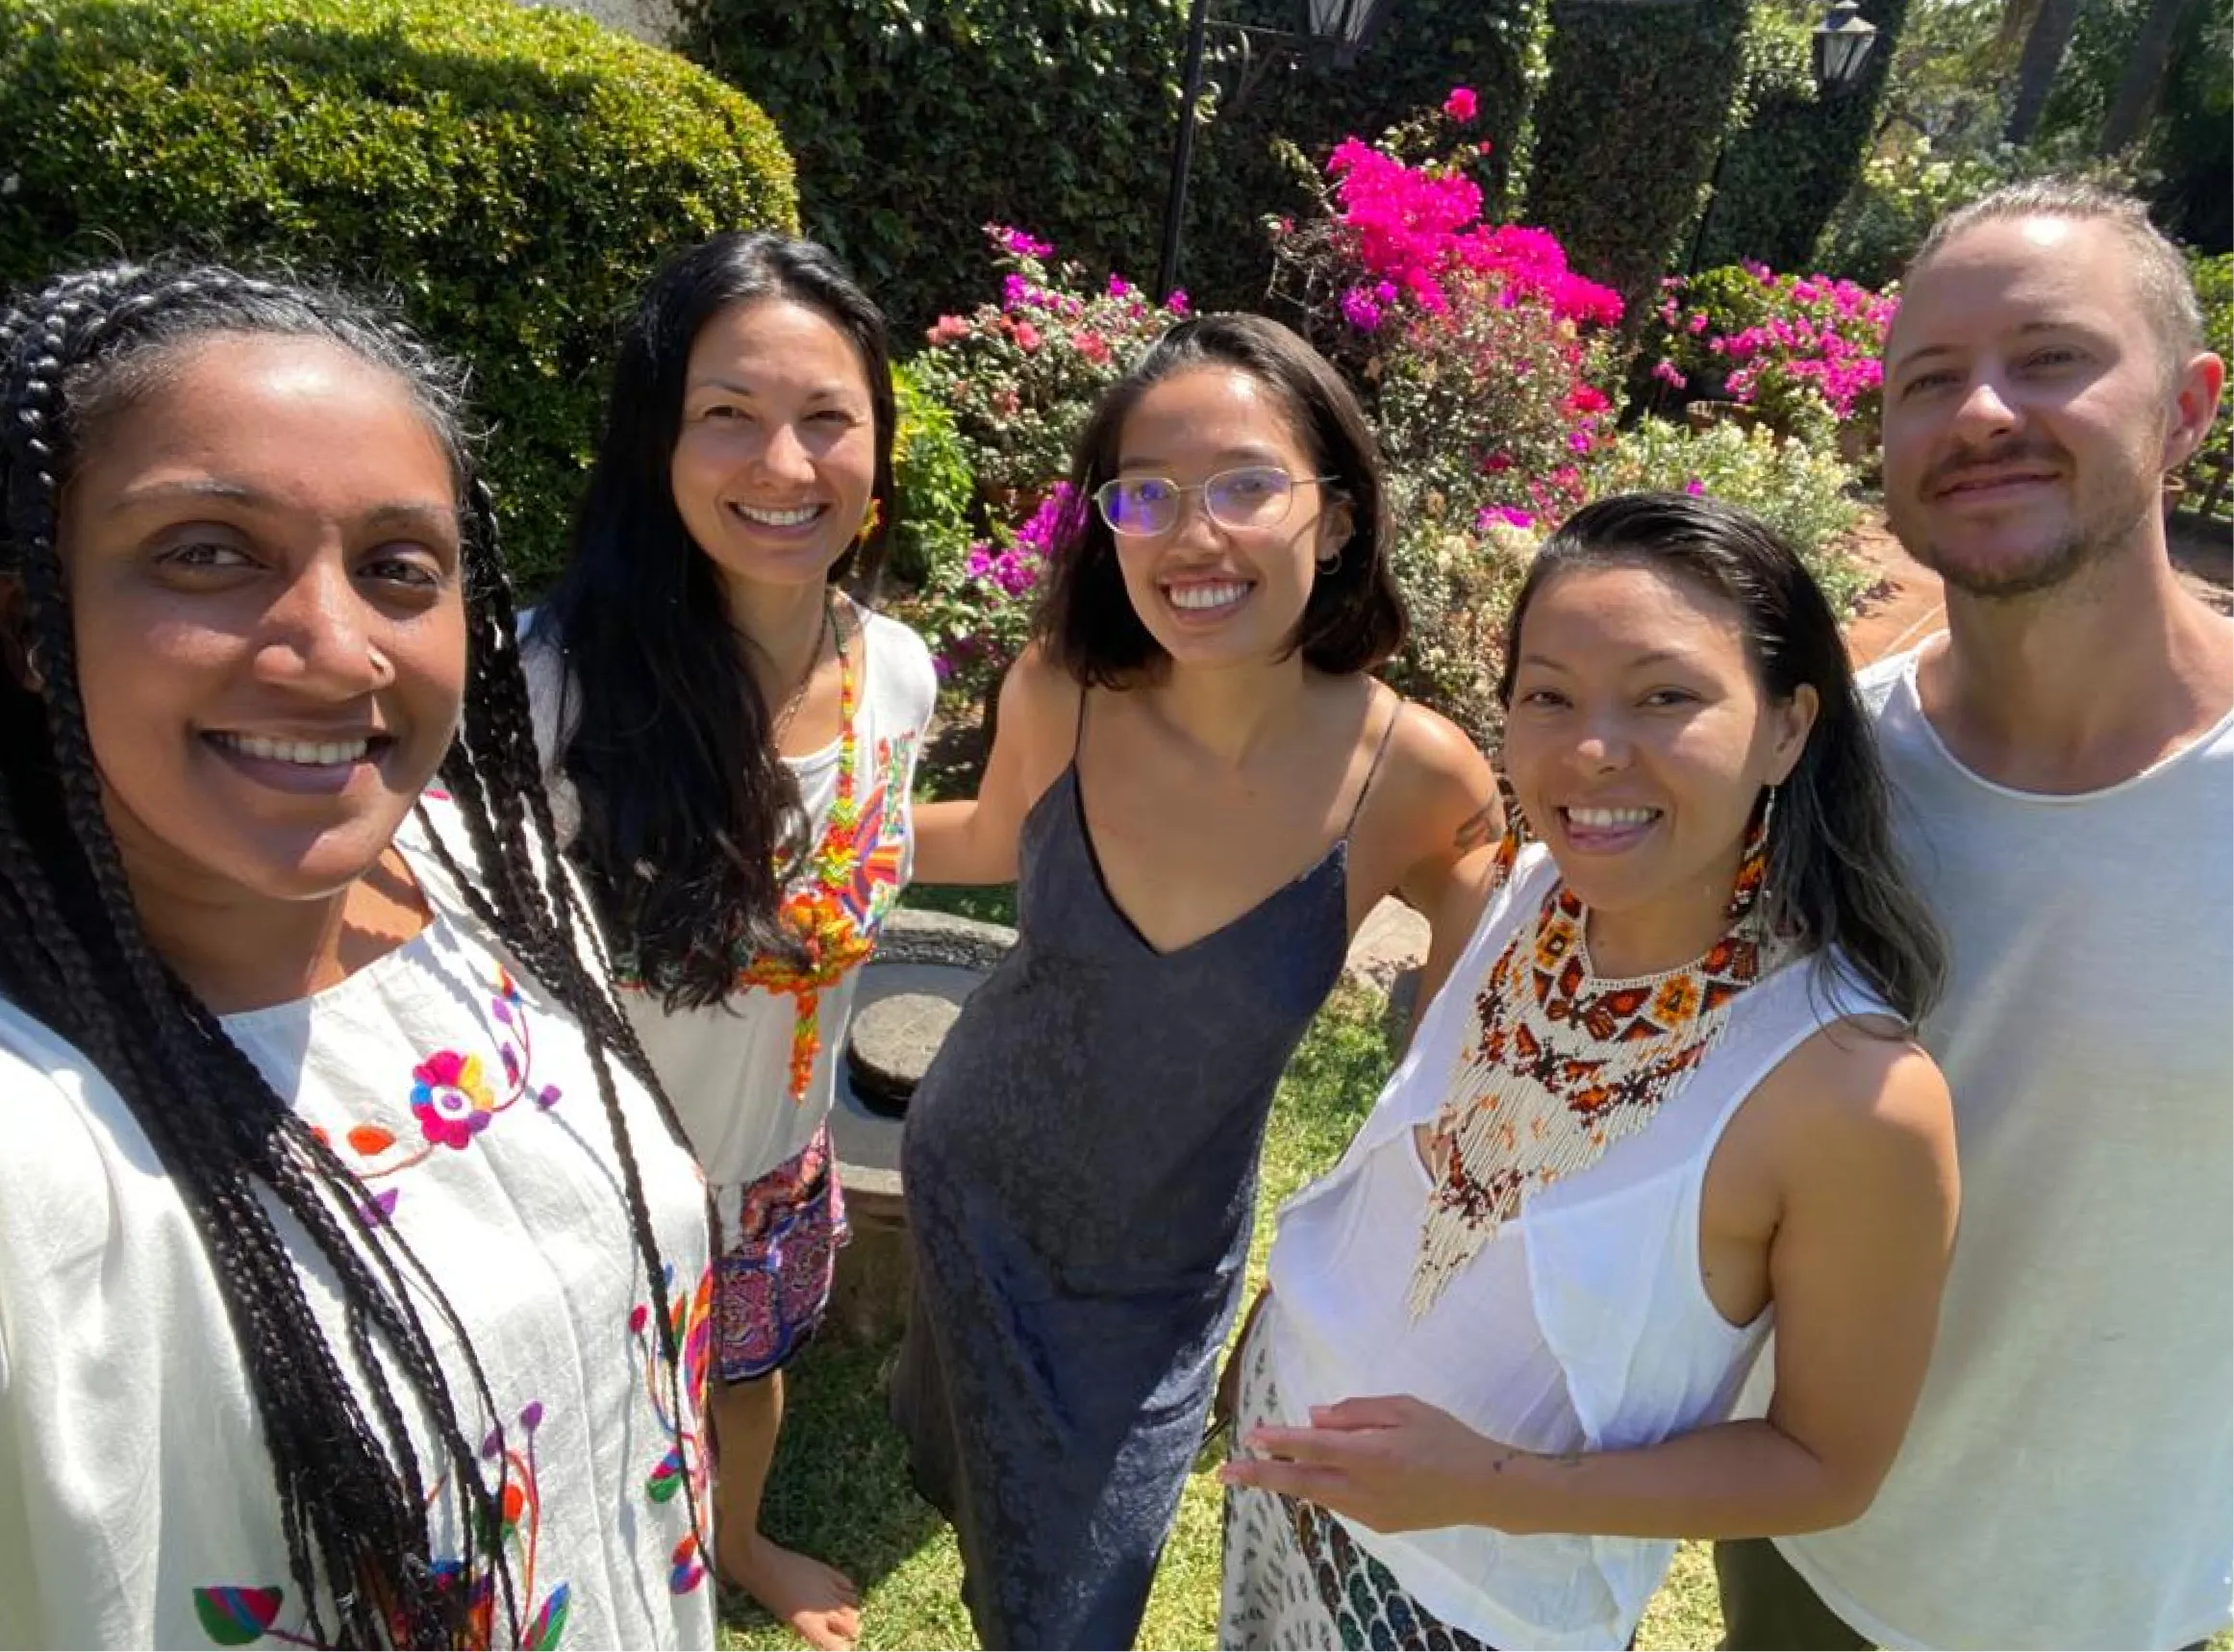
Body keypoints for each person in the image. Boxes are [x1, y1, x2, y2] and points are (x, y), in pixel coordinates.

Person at [0, 263, 713, 1646]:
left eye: (398, 567)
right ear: (34, 625)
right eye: (208, 550)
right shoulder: (41, 1147)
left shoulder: (472, 872)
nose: (335, 652)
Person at [1217, 491, 1961, 1652]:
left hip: (1474, 1603)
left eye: (1665, 696)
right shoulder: (1522, 898)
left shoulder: (1845, 1092)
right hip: (1283, 1462)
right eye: (1547, 696)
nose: (1590, 749)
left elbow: (1823, 1465)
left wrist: (1488, 1484)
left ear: (1784, 725)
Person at [890, 312, 1505, 1649]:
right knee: (972, 1481)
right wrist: (805, 834)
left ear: (1332, 519)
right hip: (971, 1179)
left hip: (1156, 1271)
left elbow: (1457, 1061)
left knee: (1070, 1608)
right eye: (1144, 493)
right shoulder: (1064, 687)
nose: (1190, 533)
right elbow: (991, 836)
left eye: (1242, 484)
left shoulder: (1419, 777)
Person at [1715, 182, 2234, 1652]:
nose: (1981, 412)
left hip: (2122, 1590)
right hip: (1801, 1554)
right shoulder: (1809, 776)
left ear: (2185, 408)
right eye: (1926, 381)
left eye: (2051, 357)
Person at [524, 232, 935, 1651]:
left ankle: (736, 1533)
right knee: (574, 1409)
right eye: (727, 416)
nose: (784, 462)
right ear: (658, 444)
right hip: (587, 1174)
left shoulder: (899, 671)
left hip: (776, 1147)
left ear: (878, 449)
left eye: (827, 417)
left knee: (746, 1371)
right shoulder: (553, 683)